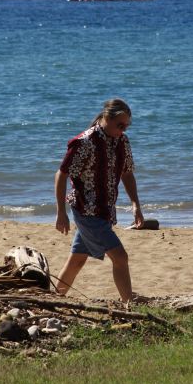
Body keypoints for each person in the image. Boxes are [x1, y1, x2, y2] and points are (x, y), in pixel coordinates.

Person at [54, 98, 145, 304]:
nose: (122, 130)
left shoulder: (122, 141)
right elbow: (61, 174)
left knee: (77, 260)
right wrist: (61, 212)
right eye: (119, 125)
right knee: (120, 257)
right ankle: (128, 303)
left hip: (105, 211)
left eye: (126, 126)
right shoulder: (85, 142)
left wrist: (135, 204)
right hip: (86, 210)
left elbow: (127, 173)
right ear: (106, 118)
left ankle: (53, 297)